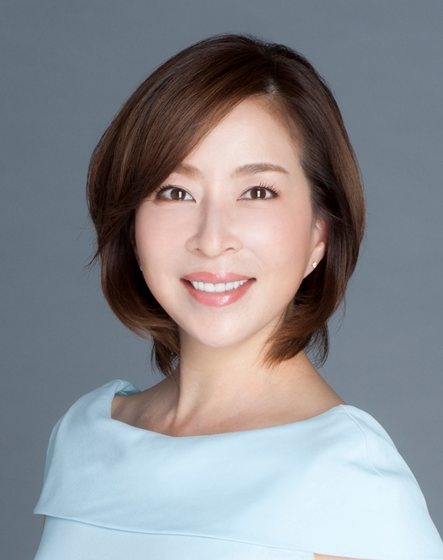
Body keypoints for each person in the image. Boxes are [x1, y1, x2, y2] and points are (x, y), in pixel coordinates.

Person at [33, 34, 443, 560]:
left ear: (319, 232)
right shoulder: (85, 435)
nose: (211, 238)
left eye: (257, 192)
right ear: (132, 226)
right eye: (175, 192)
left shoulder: (355, 483)